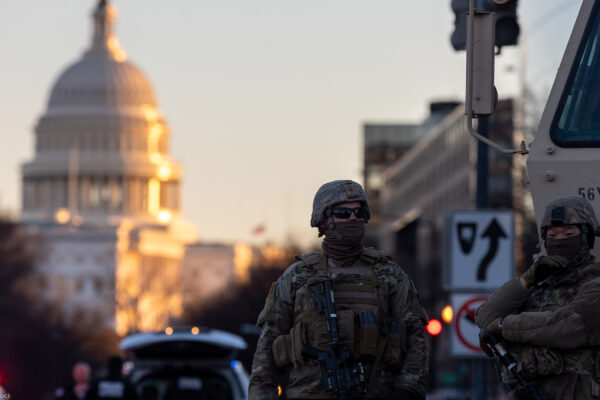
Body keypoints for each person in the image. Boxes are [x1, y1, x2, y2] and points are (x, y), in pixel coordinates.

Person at [249, 180, 428, 400]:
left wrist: (407, 390)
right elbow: (266, 351)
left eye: (359, 212)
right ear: (323, 221)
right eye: (343, 212)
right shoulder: (297, 277)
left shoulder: (389, 275)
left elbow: (416, 341)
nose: (353, 218)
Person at [476, 196, 600, 399]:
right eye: (553, 235)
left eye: (569, 234)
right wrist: (527, 280)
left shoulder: (594, 283)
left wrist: (503, 326)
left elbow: (568, 327)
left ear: (586, 237)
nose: (560, 241)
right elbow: (484, 317)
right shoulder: (538, 285)